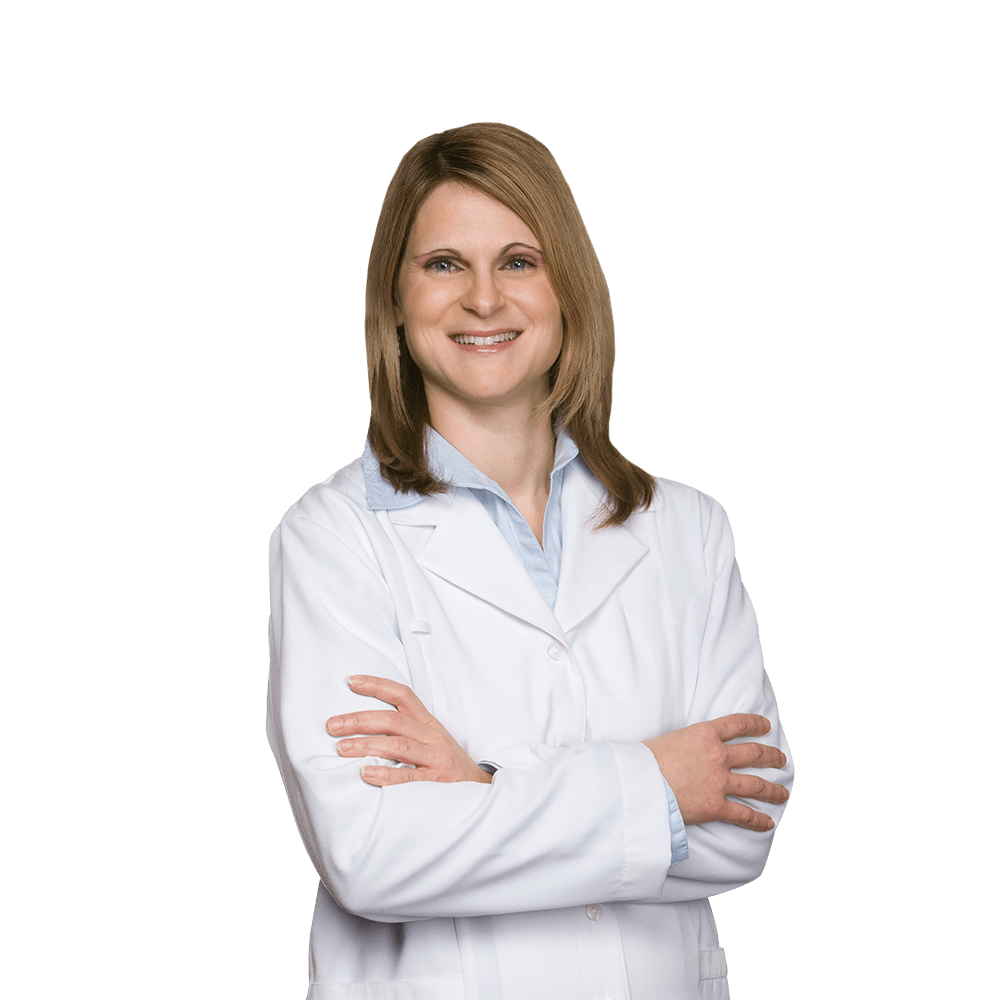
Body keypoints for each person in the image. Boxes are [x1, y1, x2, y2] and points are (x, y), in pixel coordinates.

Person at [266, 122, 793, 1000]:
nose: (483, 299)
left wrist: (480, 782)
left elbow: (748, 822)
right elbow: (372, 854)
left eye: (518, 261)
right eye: (444, 264)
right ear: (394, 297)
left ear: (568, 289)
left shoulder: (689, 529)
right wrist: (657, 785)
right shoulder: (330, 537)